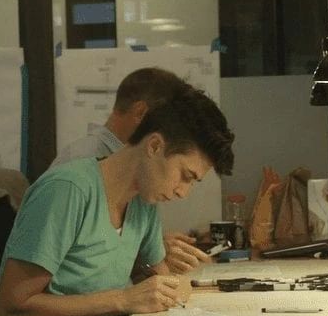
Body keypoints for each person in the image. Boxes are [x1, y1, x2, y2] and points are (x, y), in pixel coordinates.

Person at [0, 85, 235, 316]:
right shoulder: (66, 191)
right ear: (154, 146)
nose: (183, 192)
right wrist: (123, 299)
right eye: (186, 176)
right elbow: (10, 310)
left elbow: (162, 283)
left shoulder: (143, 204)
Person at [50, 67, 211, 277]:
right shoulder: (79, 165)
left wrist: (153, 248)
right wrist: (145, 256)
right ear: (141, 113)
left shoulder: (143, 174)